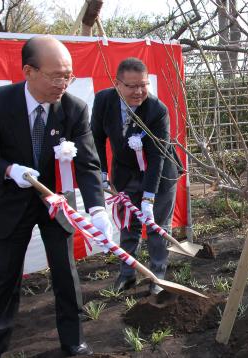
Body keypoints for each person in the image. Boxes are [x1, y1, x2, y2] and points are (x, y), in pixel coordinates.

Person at [0, 35, 113, 357]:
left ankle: (74, 341)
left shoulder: (74, 109)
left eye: (68, 75)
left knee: (65, 271)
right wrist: (8, 170)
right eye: (55, 75)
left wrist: (98, 209)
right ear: (28, 71)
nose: (63, 83)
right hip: (11, 200)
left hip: (56, 201)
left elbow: (87, 164)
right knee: (4, 274)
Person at [91, 57, 183, 295]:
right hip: (125, 172)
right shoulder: (103, 100)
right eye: (131, 86)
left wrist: (149, 198)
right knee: (128, 224)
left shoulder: (156, 110)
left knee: (156, 226)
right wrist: (100, 171)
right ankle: (127, 273)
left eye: (143, 84)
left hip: (160, 175)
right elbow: (97, 138)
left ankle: (157, 277)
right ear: (117, 83)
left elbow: (157, 156)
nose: (139, 91)